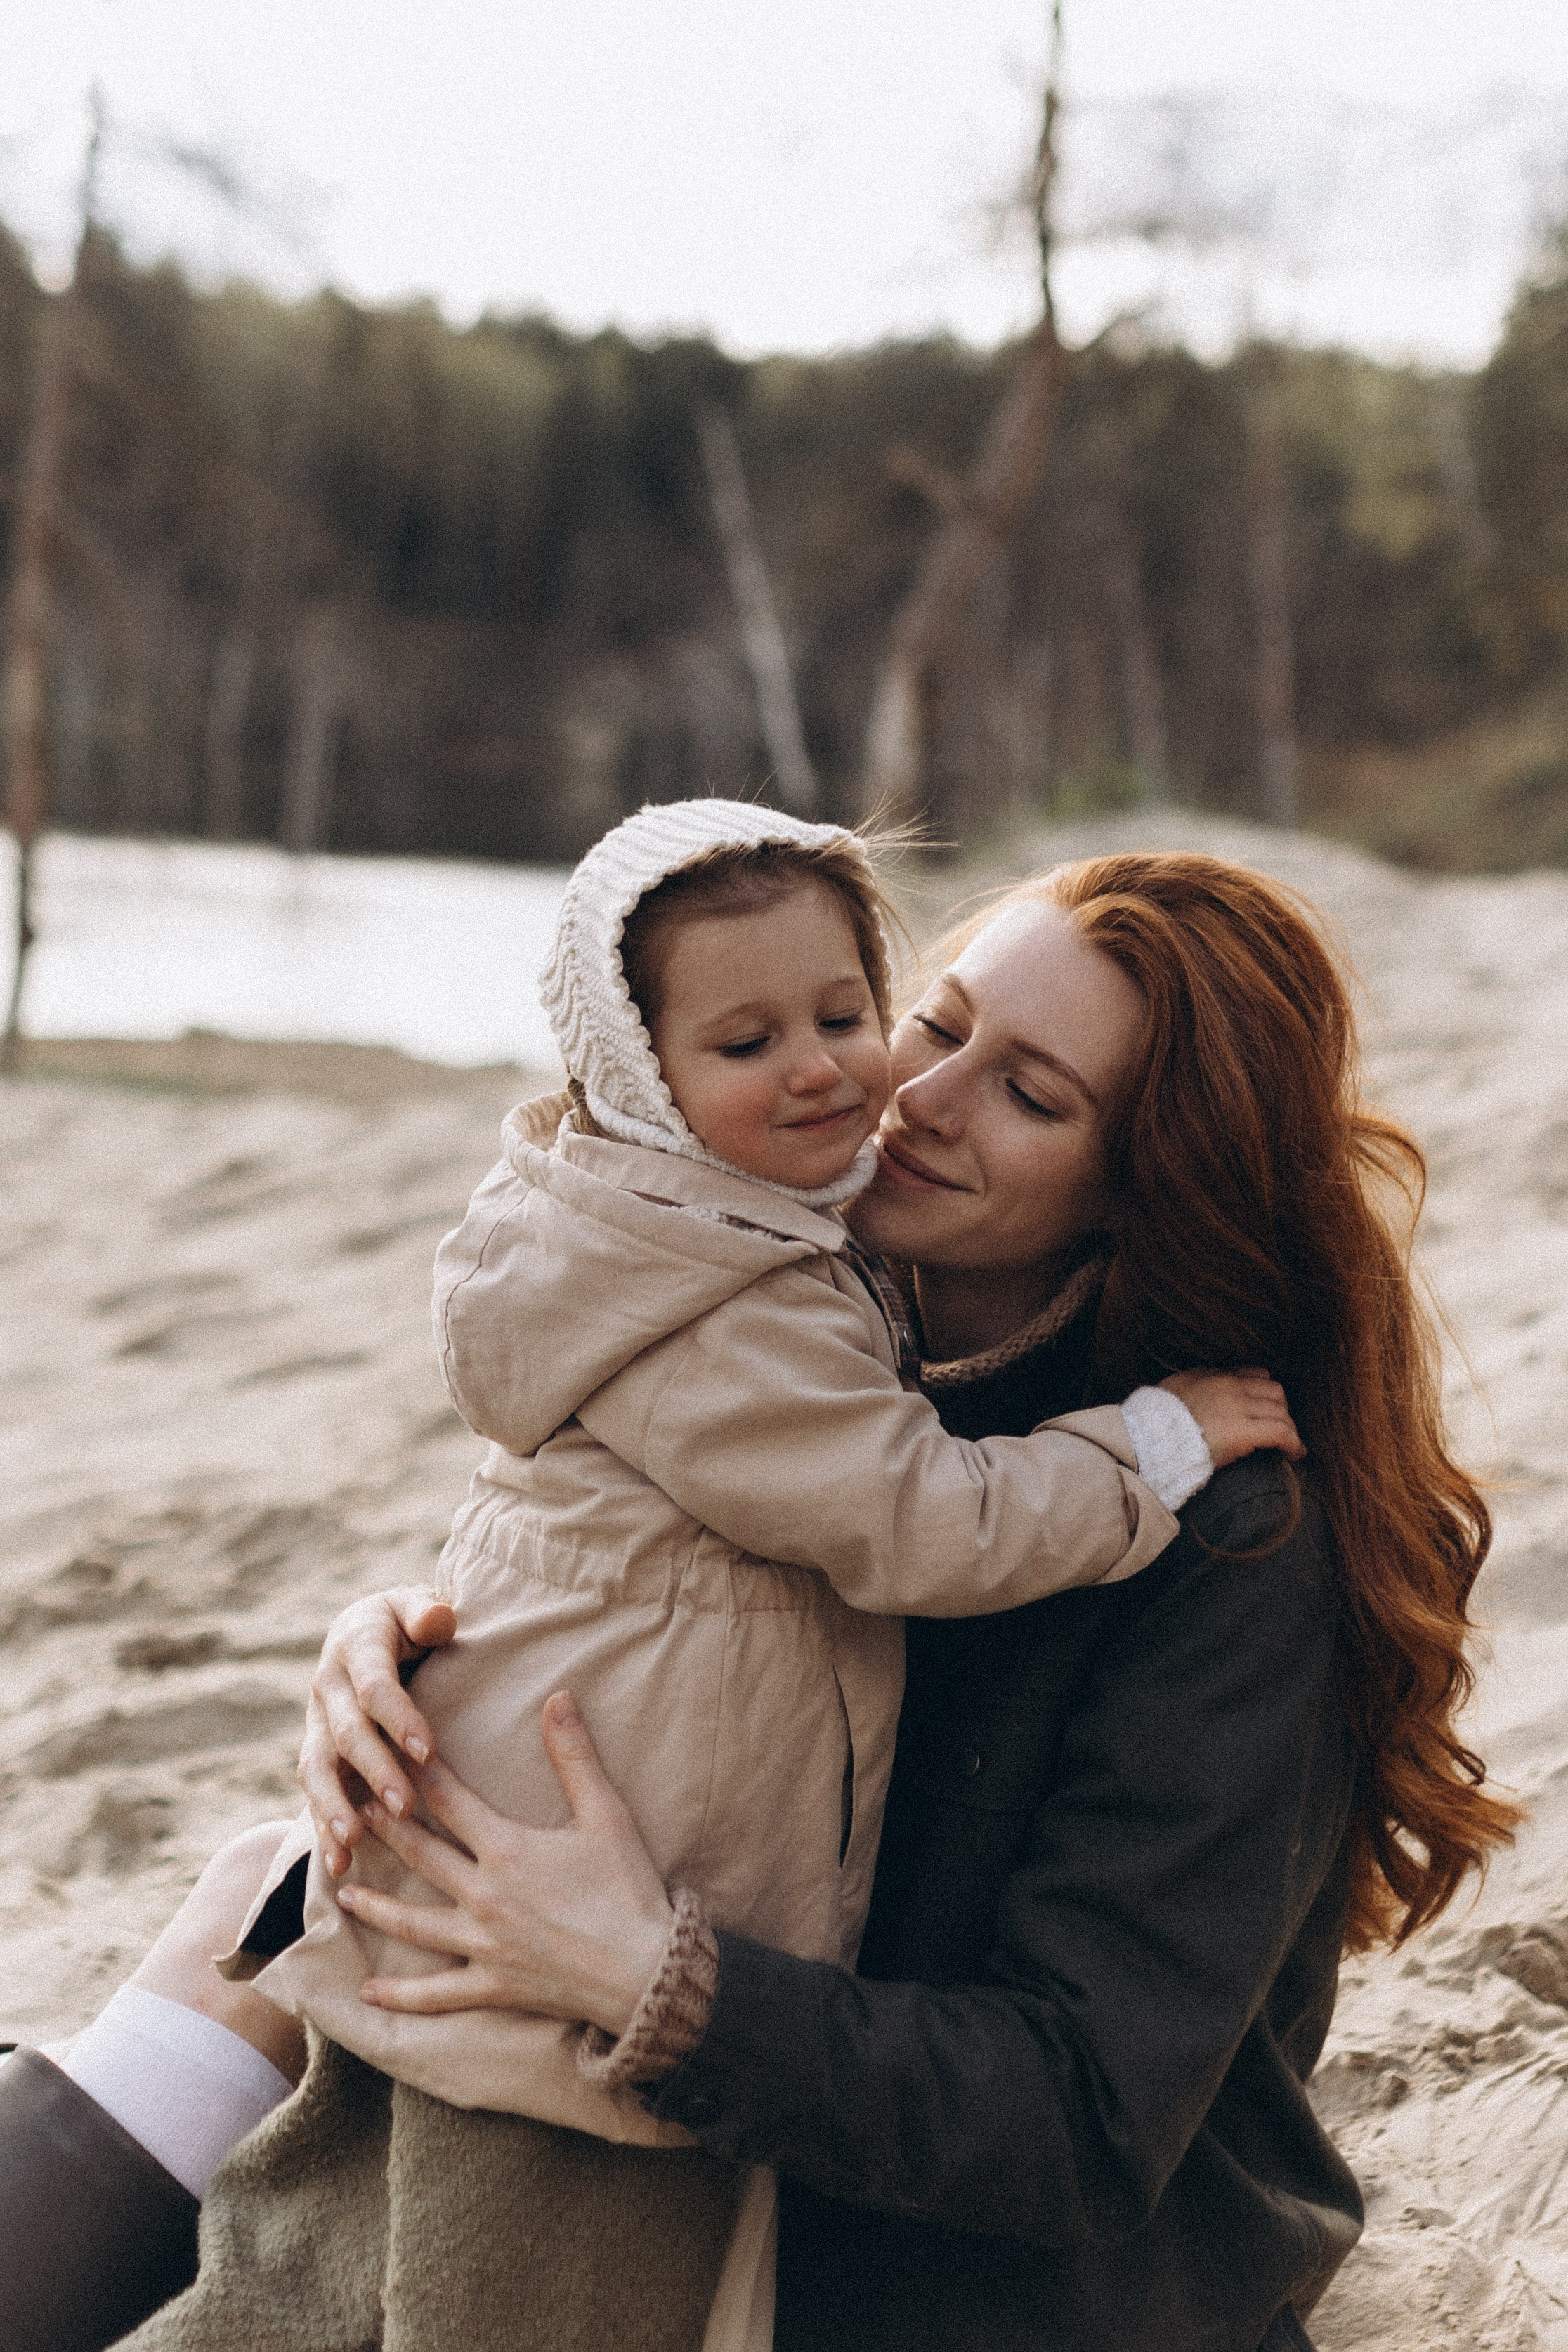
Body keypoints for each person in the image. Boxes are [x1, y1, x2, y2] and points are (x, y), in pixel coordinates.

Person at [0, 847, 1509, 2352]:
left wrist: (650, 1979)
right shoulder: (805, 1329)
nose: (922, 1097)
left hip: (962, 2266)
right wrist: (402, 1653)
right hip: (725, 2111)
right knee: (276, 1881)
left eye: (1032, 1095)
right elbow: (628, 1592)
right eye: (936, 1023)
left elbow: (1085, 2120)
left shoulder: (1228, 1536)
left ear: (1151, 1185)